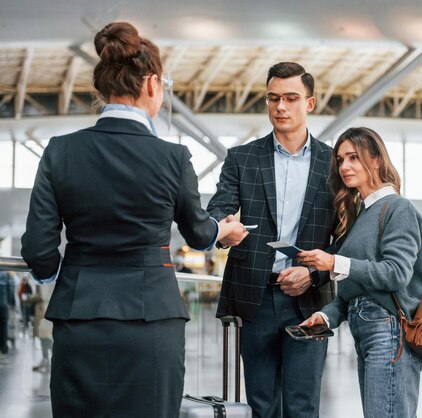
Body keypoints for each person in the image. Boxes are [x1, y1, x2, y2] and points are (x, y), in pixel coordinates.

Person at [20, 21, 247, 418]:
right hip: (152, 320)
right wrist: (223, 232)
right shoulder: (173, 158)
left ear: (102, 88)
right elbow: (198, 232)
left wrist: (64, 275)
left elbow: (38, 249)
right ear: (153, 84)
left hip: (79, 320)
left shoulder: (60, 152)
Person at [207, 62, 337, 418]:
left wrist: (315, 273)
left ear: (309, 104)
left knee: (303, 405)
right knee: (261, 406)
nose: (280, 106)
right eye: (273, 98)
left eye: (291, 98)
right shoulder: (242, 158)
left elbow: (344, 237)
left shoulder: (334, 163)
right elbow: (218, 209)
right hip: (256, 296)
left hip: (310, 299)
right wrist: (223, 226)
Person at [297, 127, 422, 418]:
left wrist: (334, 263)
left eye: (354, 157)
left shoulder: (398, 209)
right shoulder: (361, 217)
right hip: (367, 332)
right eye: (341, 159)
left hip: (390, 333)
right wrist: (326, 316)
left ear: (377, 160)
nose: (344, 166)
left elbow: (395, 274)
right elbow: (352, 291)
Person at [31, 283, 54, 372]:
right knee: (44, 335)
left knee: (47, 335)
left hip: (46, 306)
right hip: (43, 307)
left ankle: (48, 359)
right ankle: (46, 359)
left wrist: (32, 299)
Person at [0, 271, 16, 354]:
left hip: (3, 303)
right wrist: (10, 302)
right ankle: (3, 346)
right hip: (3, 304)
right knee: (4, 325)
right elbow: (10, 290)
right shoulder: (6, 275)